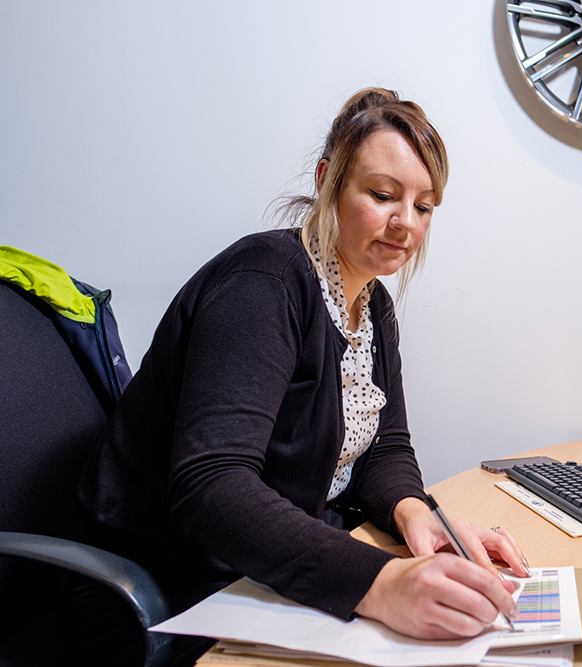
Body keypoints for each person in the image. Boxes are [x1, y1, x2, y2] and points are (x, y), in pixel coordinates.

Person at [71, 88, 529, 665]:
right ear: (327, 180)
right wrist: (381, 583)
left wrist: (417, 514)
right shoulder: (264, 283)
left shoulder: (374, 305)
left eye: (424, 205)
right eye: (383, 194)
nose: (404, 223)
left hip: (259, 565)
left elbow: (385, 446)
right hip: (171, 579)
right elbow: (211, 484)